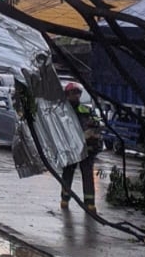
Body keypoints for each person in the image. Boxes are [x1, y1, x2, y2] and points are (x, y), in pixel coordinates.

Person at [60, 82, 101, 213]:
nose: (76, 96)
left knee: (88, 174)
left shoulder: (86, 110)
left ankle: (90, 203)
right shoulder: (62, 111)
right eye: (73, 93)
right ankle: (65, 199)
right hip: (70, 149)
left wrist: (91, 131)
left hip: (86, 148)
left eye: (77, 93)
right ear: (67, 95)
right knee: (67, 174)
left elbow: (96, 124)